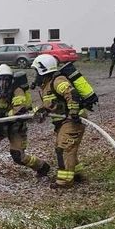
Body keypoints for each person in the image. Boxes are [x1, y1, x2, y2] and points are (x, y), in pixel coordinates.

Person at [31, 54, 86, 189]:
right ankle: (77, 174)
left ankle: (65, 181)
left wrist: (73, 112)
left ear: (43, 70)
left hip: (72, 121)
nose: (35, 75)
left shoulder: (58, 80)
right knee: (66, 148)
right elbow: (53, 103)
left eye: (36, 71)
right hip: (63, 122)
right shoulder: (47, 85)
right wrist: (41, 110)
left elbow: (72, 94)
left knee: (64, 148)